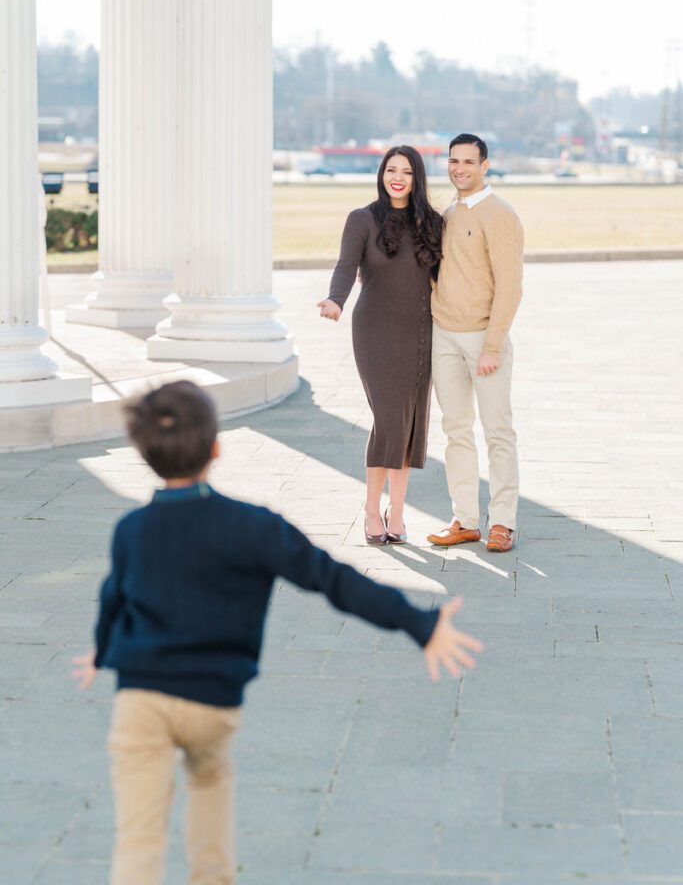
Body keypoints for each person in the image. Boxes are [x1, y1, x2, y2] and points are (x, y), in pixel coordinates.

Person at [72, 380, 483, 885]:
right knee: (210, 803)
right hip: (212, 703)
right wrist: (419, 623)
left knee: (138, 840)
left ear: (145, 454)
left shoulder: (131, 530)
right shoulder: (254, 526)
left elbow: (114, 598)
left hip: (141, 699)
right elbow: (333, 580)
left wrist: (101, 653)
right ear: (216, 448)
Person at [317, 146, 443, 543]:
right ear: (381, 173)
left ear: (417, 177)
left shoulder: (434, 223)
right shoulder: (361, 220)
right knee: (389, 422)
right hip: (375, 331)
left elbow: (447, 277)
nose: (398, 177)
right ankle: (372, 509)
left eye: (406, 171)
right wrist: (336, 299)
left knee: (408, 428)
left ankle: (397, 513)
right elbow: (345, 266)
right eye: (391, 169)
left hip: (421, 333)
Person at [427, 134, 524, 553]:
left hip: (485, 340)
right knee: (456, 431)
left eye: (469, 161)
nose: (460, 168)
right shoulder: (446, 213)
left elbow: (510, 287)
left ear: (485, 165)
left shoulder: (501, 215)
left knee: (498, 431)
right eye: (453, 161)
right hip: (443, 336)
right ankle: (465, 520)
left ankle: (502, 522)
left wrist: (493, 345)